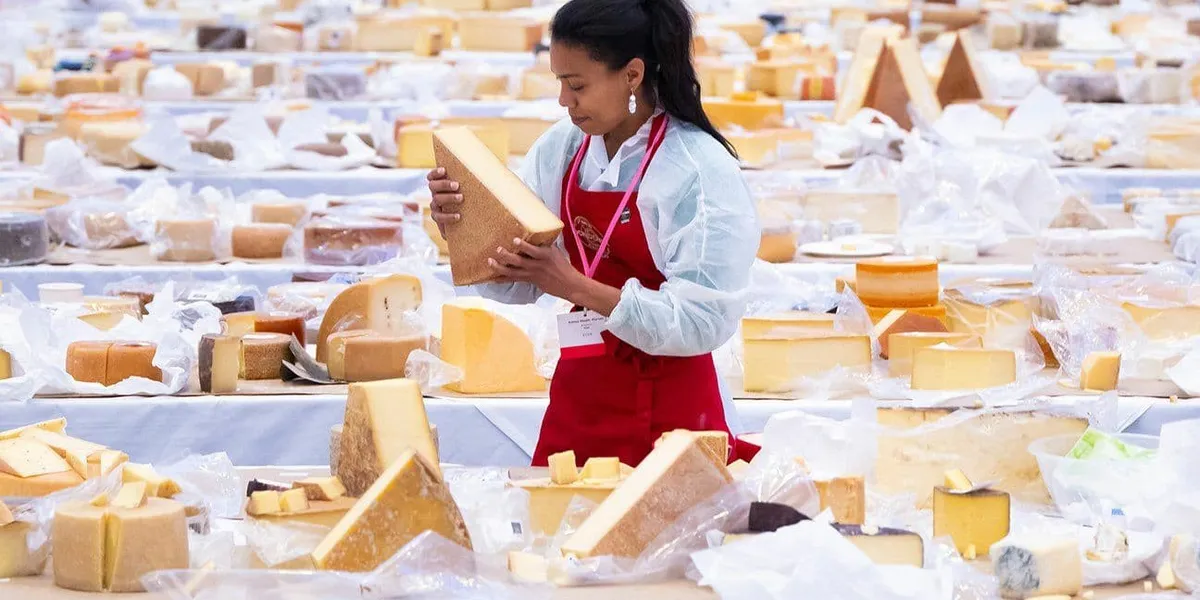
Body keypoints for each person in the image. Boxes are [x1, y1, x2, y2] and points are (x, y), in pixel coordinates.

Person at [427, 0, 759, 468]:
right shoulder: (562, 150)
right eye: (560, 83)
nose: (564, 101)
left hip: (672, 405)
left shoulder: (697, 169)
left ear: (632, 75)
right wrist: (465, 228)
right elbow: (518, 280)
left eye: (577, 85)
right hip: (579, 397)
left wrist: (574, 286)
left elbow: (700, 322)